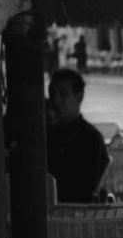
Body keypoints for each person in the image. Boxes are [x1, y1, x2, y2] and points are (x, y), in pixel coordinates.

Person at [46, 68, 110, 203]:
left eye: (63, 94)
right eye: (52, 94)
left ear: (79, 97)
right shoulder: (46, 134)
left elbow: (85, 190)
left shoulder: (91, 139)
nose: (56, 101)